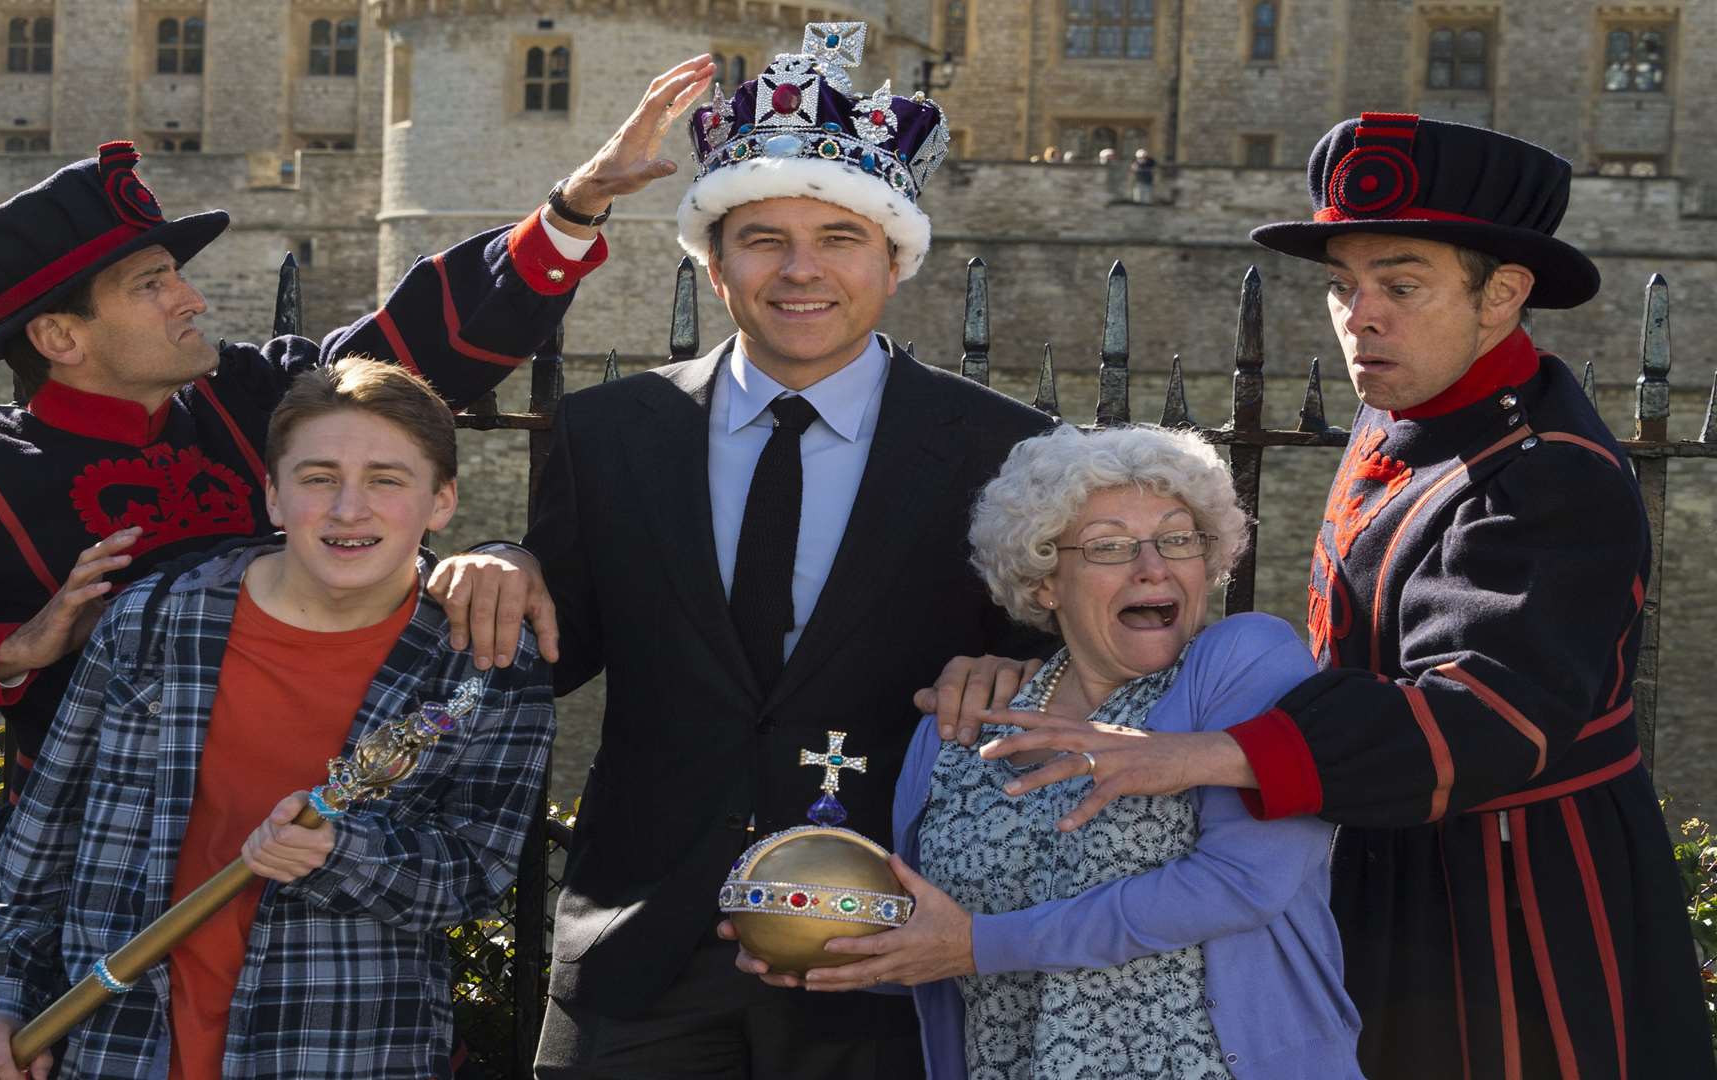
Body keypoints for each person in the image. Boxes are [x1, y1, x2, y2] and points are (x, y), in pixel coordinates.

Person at [0, 57, 713, 1080]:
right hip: (93, 893)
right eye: (153, 284)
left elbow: (408, 363)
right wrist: (13, 648)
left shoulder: (253, 394)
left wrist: (574, 206)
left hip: (328, 890)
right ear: (60, 335)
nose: (192, 299)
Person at [930, 114, 1716, 1079]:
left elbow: (1488, 719)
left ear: (1504, 294)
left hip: (1513, 894)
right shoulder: (1403, 416)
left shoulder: (1551, 474)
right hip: (1379, 855)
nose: (1360, 315)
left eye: (1401, 283)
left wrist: (1204, 755)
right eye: (1344, 286)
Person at [429, 23, 1058, 1077]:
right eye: (763, 238)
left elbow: (1085, 665)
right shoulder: (609, 431)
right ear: (713, 261)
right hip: (642, 943)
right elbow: (558, 637)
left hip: (890, 945)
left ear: (894, 259)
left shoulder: (1007, 447)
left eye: (840, 238)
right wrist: (499, 560)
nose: (800, 271)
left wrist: (1030, 672)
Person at [0, 357, 556, 1080]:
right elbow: (43, 832)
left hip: (341, 1051)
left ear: (442, 502)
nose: (348, 508)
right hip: (119, 1047)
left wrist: (340, 853)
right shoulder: (157, 619)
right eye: (317, 478)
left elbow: (474, 874)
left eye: (386, 480)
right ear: (272, 495)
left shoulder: (483, 660)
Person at [779, 424, 1362, 1080]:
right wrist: (818, 946)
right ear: (1045, 579)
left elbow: (1240, 884)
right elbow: (937, 947)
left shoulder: (1240, 663)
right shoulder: (962, 728)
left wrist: (979, 946)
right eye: (1109, 546)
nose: (1153, 567)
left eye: (1177, 539)